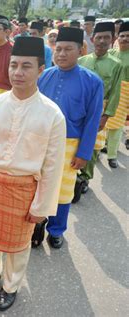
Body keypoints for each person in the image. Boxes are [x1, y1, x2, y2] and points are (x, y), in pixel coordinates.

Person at [0, 37, 66, 311]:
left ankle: (10, 286)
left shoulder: (52, 115)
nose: (17, 73)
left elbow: (53, 167)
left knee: (18, 245)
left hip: (23, 189)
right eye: (14, 65)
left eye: (26, 67)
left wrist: (42, 206)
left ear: (41, 70)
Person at [36, 27, 104, 248]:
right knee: (37, 184)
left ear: (80, 50)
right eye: (58, 49)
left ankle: (56, 230)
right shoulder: (44, 75)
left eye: (68, 49)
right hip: (40, 141)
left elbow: (93, 120)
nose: (61, 54)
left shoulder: (92, 82)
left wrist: (84, 153)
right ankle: (36, 223)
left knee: (63, 190)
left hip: (70, 144)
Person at [78, 22, 122, 191]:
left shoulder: (116, 64)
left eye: (107, 37)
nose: (102, 41)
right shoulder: (82, 61)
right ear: (92, 39)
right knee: (76, 140)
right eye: (99, 37)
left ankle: (85, 177)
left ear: (113, 39)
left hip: (99, 109)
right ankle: (74, 173)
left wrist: (106, 116)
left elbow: (115, 93)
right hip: (80, 108)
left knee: (93, 145)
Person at [105, 22, 129, 168]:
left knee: (117, 125)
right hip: (109, 91)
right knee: (104, 121)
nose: (125, 38)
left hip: (125, 95)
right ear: (117, 38)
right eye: (122, 36)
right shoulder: (111, 53)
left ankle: (112, 155)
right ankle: (104, 144)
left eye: (128, 36)